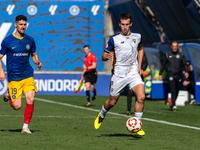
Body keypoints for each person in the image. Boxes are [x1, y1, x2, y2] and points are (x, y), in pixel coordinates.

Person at [94, 13, 145, 136]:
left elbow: (140, 49)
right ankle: (101, 114)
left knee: (141, 97)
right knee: (112, 102)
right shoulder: (114, 39)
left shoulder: (137, 36)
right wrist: (107, 56)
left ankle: (137, 125)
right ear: (119, 24)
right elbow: (103, 56)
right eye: (123, 24)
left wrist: (139, 66)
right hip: (119, 75)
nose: (125, 27)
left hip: (133, 72)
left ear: (131, 24)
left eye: (127, 24)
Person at [0, 15, 43, 134]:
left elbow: (34, 55)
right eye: (21, 24)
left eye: (25, 25)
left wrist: (38, 62)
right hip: (14, 78)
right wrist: (1, 71)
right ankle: (9, 93)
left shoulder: (30, 40)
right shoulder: (7, 41)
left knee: (31, 99)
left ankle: (25, 127)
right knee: (17, 106)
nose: (23, 27)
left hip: (27, 75)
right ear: (15, 25)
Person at [159, 41, 188, 111]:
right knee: (173, 89)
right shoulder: (167, 54)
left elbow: (184, 64)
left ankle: (173, 103)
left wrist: (186, 72)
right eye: (173, 46)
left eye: (176, 46)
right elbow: (163, 64)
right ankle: (174, 105)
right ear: (171, 47)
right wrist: (160, 74)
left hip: (179, 74)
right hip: (170, 74)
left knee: (177, 89)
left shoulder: (181, 55)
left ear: (177, 47)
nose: (174, 48)